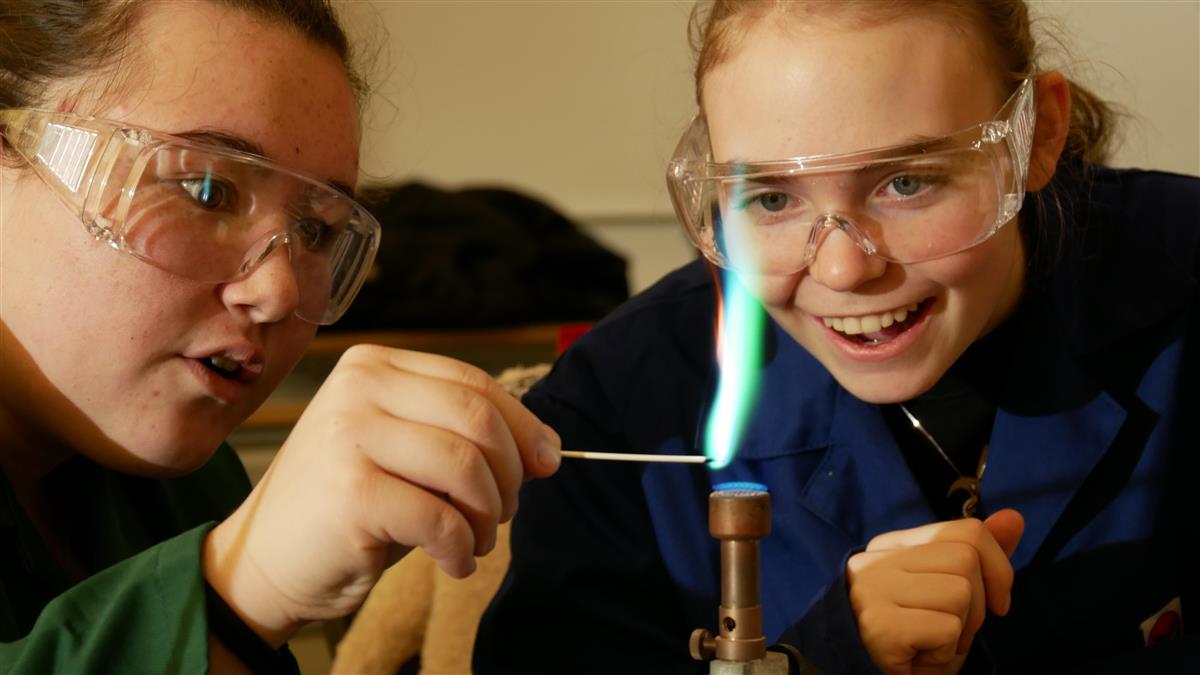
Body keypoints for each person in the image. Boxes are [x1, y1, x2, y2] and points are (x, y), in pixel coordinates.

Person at [475, 1, 1199, 673]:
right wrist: (821, 656)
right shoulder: (619, 399)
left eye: (907, 182)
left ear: (1036, 135)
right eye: (771, 198)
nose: (843, 268)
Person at [0, 1, 560, 672]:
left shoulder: (190, 484)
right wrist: (245, 587)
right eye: (205, 189)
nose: (280, 292)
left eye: (317, 231)